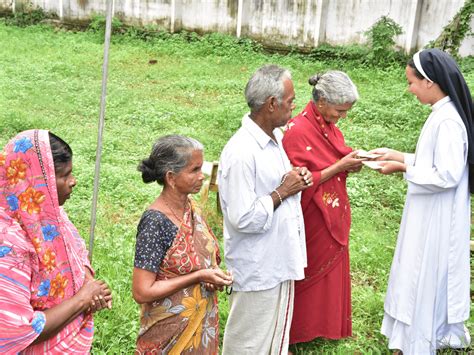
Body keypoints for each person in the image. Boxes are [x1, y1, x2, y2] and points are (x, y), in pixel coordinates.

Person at [371, 48, 473, 353]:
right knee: (417, 270)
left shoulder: (448, 122)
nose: (410, 89)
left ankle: (419, 340)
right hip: (428, 210)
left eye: (412, 83)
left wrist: (402, 167)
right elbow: (435, 159)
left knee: (423, 274)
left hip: (437, 217)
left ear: (429, 82)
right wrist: (399, 154)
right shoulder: (442, 114)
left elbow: (447, 174)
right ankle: (412, 335)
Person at [218, 64, 313, 355]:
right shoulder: (241, 152)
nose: (294, 106)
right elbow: (242, 217)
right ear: (272, 104)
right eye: (290, 100)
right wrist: (282, 191)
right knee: (248, 343)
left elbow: (276, 185)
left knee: (273, 343)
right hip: (259, 266)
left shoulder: (275, 138)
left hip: (277, 258)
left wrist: (294, 180)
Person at [0, 129, 112, 353]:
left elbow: (76, 252)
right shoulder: (9, 244)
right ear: (37, 182)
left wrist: (89, 283)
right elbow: (17, 331)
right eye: (64, 175)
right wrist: (82, 300)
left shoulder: (48, 214)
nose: (73, 182)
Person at [132, 135, 233, 354]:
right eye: (194, 170)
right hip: (168, 333)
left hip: (200, 324)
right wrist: (199, 276)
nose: (201, 176)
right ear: (171, 177)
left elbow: (200, 258)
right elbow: (142, 291)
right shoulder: (156, 222)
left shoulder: (190, 208)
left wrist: (212, 274)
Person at [282, 71, 362, 344]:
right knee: (308, 271)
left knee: (331, 269)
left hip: (331, 205)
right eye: (340, 110)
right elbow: (298, 181)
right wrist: (341, 165)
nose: (342, 117)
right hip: (311, 211)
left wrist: (353, 160)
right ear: (322, 101)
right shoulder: (297, 131)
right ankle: (297, 331)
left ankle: (325, 326)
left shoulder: (327, 125)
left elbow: (332, 156)